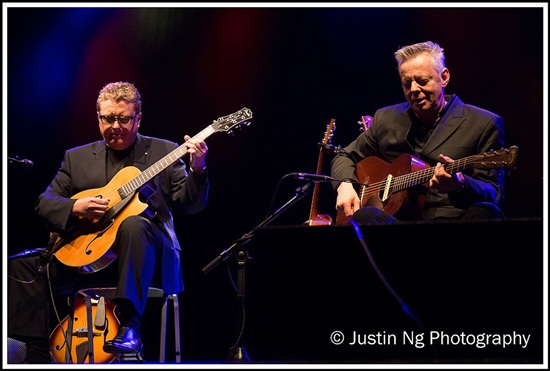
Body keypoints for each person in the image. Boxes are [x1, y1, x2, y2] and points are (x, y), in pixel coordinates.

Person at [8, 81, 210, 363]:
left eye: (123, 118)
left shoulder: (165, 151)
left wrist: (197, 169)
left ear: (138, 119)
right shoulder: (76, 158)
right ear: (98, 117)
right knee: (20, 266)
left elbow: (191, 205)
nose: (114, 125)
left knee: (134, 225)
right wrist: (75, 206)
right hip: (89, 258)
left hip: (147, 258)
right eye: (107, 118)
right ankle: (33, 352)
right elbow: (45, 203)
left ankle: (130, 326)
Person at [331, 41, 506, 224]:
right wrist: (345, 185)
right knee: (365, 216)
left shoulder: (483, 123)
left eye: (422, 81)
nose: (414, 90)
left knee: (487, 212)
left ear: (444, 77)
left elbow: (495, 193)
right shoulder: (386, 118)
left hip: (454, 220)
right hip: (398, 224)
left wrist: (461, 183)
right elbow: (344, 155)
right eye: (407, 84)